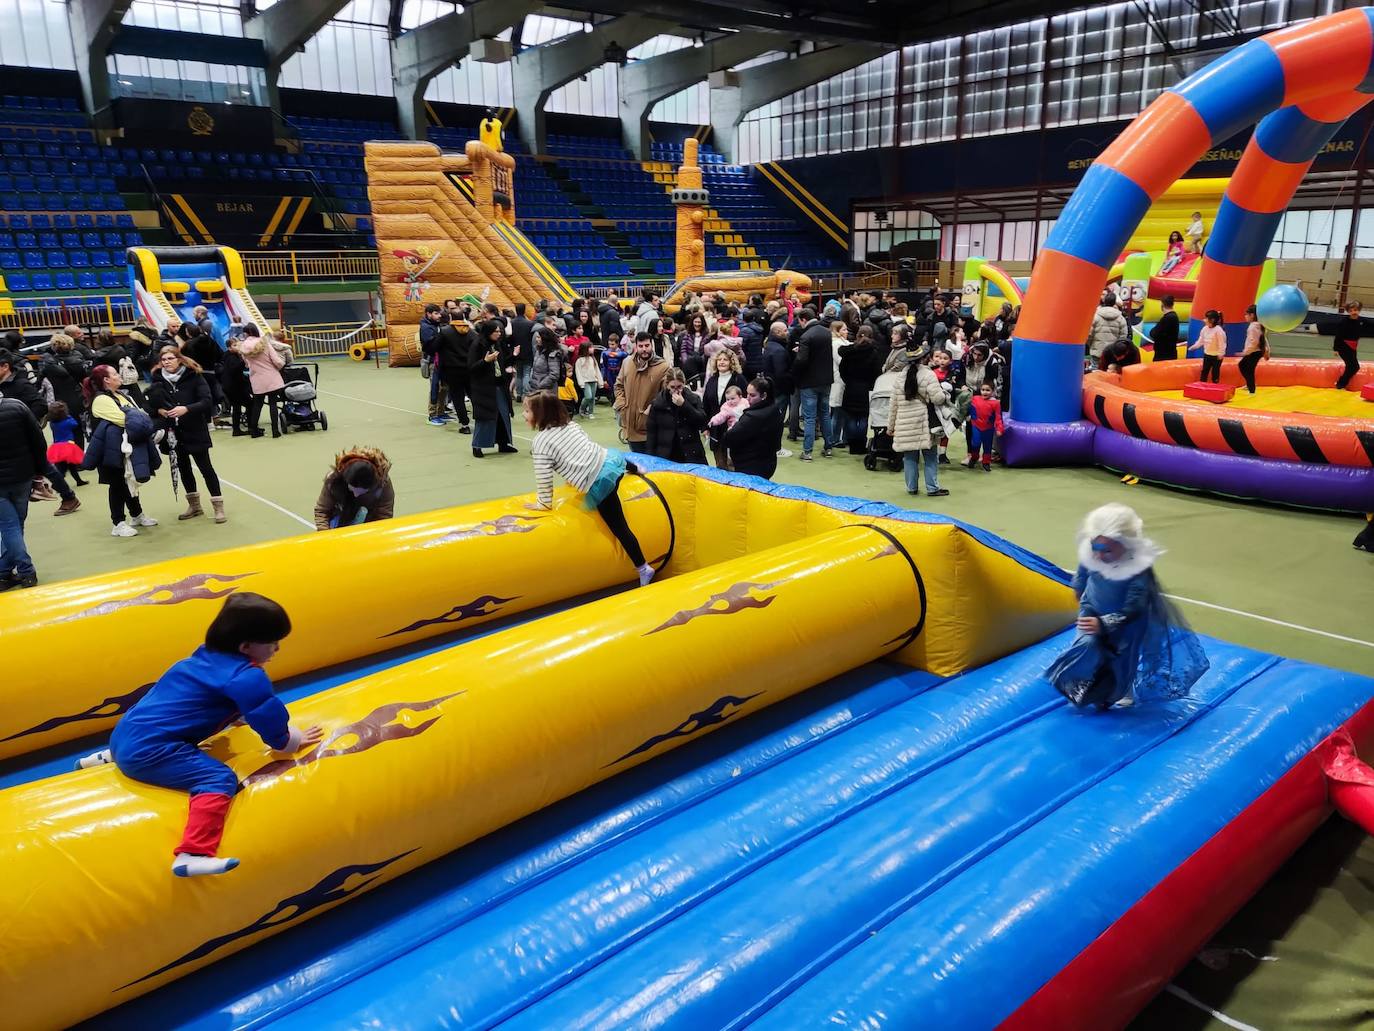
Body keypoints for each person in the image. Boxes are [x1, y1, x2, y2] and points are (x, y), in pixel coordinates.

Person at [75, 594, 322, 876]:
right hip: (148, 753)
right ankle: (192, 854)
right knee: (218, 778)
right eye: (273, 643)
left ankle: (100, 759)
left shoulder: (202, 656)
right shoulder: (247, 677)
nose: (277, 648)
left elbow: (198, 700)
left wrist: (237, 715)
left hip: (124, 735)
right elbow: (268, 716)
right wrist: (288, 741)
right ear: (246, 646)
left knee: (169, 726)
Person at [1046, 503, 1208, 710]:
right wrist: (1080, 590)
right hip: (1093, 610)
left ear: (1127, 545)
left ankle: (1117, 689)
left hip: (1125, 621)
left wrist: (1105, 623)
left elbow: (1135, 606)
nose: (1098, 555)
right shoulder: (1094, 551)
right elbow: (1084, 573)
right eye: (1095, 547)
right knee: (1086, 646)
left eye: (1107, 550)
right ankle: (1081, 683)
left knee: (1120, 660)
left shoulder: (1137, 568)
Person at [525, 391, 655, 587]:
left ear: (540, 414)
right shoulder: (570, 425)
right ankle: (637, 469)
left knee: (619, 527)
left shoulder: (541, 442)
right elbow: (585, 448)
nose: (523, 415)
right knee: (605, 456)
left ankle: (643, 567)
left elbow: (543, 477)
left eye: (527, 411)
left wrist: (543, 503)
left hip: (600, 482)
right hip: (614, 463)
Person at [145, 346, 226, 523]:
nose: (166, 362)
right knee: (183, 469)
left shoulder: (194, 376)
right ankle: (194, 506)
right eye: (164, 359)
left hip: (195, 429)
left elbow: (207, 401)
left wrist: (186, 409)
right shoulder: (157, 380)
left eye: (170, 358)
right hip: (173, 433)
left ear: (179, 359)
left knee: (206, 468)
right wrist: (158, 410)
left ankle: (218, 506)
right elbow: (149, 404)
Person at [82, 364, 161, 536]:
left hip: (125, 447)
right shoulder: (101, 400)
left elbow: (138, 415)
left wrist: (140, 417)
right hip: (110, 451)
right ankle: (117, 523)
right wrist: (140, 418)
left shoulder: (120, 395)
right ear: (106, 380)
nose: (119, 375)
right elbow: (126, 419)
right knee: (117, 484)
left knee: (129, 481)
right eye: (115, 373)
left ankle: (137, 515)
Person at [887, 347, 950, 498]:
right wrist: (945, 393)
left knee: (909, 457)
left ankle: (911, 487)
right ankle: (932, 488)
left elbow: (893, 404)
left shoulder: (900, 377)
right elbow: (938, 399)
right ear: (924, 358)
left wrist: (890, 427)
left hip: (905, 423)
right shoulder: (929, 375)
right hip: (924, 422)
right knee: (930, 456)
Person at [0, 394, 47, 591]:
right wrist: (39, 471)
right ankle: (13, 571)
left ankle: (20, 572)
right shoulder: (17, 406)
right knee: (16, 526)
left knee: (10, 527)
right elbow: (38, 440)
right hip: (22, 476)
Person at [468, 320, 518, 458]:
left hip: (499, 386)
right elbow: (472, 367)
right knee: (485, 417)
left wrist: (513, 356)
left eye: (499, 331)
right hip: (484, 388)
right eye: (495, 331)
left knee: (503, 415)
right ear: (488, 332)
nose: (499, 333)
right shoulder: (477, 345)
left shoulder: (497, 345)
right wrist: (485, 361)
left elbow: (502, 364)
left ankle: (504, 443)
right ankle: (477, 446)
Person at [613, 332, 669, 453]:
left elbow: (665, 394)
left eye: (647, 345)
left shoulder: (663, 367)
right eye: (641, 346)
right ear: (636, 347)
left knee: (650, 467)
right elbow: (619, 385)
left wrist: (650, 410)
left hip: (650, 427)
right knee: (636, 466)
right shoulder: (627, 363)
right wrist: (622, 405)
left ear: (652, 345)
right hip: (629, 424)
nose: (644, 349)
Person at [314, 447, 395, 530]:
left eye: (362, 492)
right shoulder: (333, 479)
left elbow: (384, 517)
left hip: (368, 527)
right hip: (338, 522)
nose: (356, 495)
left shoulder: (382, 484)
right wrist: (326, 534)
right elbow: (322, 511)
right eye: (352, 489)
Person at [792, 308, 836, 461]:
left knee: (809, 418)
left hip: (809, 382)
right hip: (826, 380)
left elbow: (802, 360)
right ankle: (828, 448)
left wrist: (794, 371)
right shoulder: (826, 332)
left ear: (803, 319)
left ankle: (807, 451)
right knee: (825, 414)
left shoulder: (806, 336)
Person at [723, 375, 785, 480]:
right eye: (747, 393)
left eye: (752, 395)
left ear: (764, 395)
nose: (747, 398)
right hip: (768, 463)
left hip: (750, 467)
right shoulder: (775, 410)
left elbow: (729, 438)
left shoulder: (753, 417)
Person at [645, 368, 708, 465]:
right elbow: (651, 433)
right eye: (673, 387)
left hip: (691, 453)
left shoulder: (694, 399)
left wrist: (684, 405)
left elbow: (702, 421)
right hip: (666, 454)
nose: (676, 391)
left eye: (679, 386)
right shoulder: (658, 403)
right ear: (667, 385)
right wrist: (650, 458)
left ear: (684, 383)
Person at [837, 323, 883, 455]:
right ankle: (861, 444)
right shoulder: (874, 352)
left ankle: (852, 445)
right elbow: (877, 371)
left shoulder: (849, 351)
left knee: (850, 417)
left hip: (850, 387)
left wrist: (848, 380)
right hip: (866, 389)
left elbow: (842, 369)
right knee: (863, 417)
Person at [234, 325, 285, 438]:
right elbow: (276, 360)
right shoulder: (265, 343)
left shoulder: (243, 347)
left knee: (257, 404)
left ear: (245, 334)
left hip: (256, 378)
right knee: (273, 403)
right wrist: (281, 365)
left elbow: (247, 364)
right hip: (271, 377)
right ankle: (275, 431)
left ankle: (253, 430)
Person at [701, 349, 748, 468]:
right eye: (719, 359)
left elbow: (747, 403)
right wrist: (705, 427)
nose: (721, 362)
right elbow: (705, 405)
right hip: (716, 431)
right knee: (720, 464)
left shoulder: (739, 379)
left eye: (725, 360)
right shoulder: (712, 380)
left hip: (735, 429)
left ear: (731, 362)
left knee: (734, 465)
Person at [435, 314, 475, 433]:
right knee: (474, 395)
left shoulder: (444, 331)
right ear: (463, 317)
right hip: (469, 368)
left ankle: (464, 425)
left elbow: (435, 347)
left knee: (458, 398)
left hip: (452, 370)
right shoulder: (471, 332)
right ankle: (479, 420)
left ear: (451, 317)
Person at [419, 303, 449, 426]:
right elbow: (431, 345)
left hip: (442, 360)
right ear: (429, 314)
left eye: (439, 313)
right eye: (436, 313)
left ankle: (441, 412)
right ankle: (432, 415)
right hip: (432, 361)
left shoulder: (437, 325)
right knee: (435, 388)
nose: (439, 315)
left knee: (444, 387)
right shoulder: (426, 327)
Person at [46, 402, 88, 488]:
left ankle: (78, 481)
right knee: (67, 468)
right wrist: (68, 416)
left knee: (64, 467)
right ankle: (58, 484)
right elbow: (75, 424)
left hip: (57, 447)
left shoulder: (52, 424)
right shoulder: (67, 422)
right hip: (67, 446)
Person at [965, 380, 1005, 471]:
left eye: (987, 390)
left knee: (987, 446)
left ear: (992, 391)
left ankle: (986, 462)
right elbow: (968, 408)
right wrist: (967, 416)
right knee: (975, 443)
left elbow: (998, 417)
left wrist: (999, 428)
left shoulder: (996, 403)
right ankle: (974, 457)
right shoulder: (975, 399)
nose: (985, 392)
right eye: (983, 390)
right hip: (976, 426)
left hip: (988, 428)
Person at [1332, 300, 1365, 391]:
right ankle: (1340, 384)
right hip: (1343, 346)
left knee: (1350, 366)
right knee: (1354, 367)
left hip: (1353, 346)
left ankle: (1341, 384)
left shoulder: (1361, 320)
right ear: (1348, 312)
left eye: (1355, 310)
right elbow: (1338, 335)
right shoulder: (1344, 322)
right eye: (1351, 311)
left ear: (1359, 310)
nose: (1354, 312)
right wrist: (1335, 349)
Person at [1238, 304, 1270, 395]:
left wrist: (1246, 352)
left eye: (1246, 314)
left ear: (1252, 315)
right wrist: (1266, 351)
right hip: (1257, 351)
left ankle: (1251, 390)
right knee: (1245, 367)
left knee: (1245, 367)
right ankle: (1250, 385)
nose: (1245, 316)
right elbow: (1263, 339)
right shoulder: (1259, 325)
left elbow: (1254, 342)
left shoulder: (1253, 327)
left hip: (1254, 351)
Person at [1088, 293, 1128, 362]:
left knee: (1095, 371)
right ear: (1114, 303)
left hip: (1097, 351)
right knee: (1110, 371)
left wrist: (1091, 345)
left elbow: (1089, 334)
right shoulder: (1121, 318)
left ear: (1104, 301)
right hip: (1113, 353)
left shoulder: (1095, 316)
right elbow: (1123, 337)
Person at [509, 302, 535, 401]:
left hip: (516, 351)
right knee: (526, 373)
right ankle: (526, 394)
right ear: (524, 310)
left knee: (518, 374)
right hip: (527, 351)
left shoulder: (511, 323)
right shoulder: (530, 323)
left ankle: (518, 394)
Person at [573, 340, 604, 419]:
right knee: (588, 396)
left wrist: (600, 381)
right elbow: (578, 372)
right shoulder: (579, 361)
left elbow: (597, 370)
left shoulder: (592, 359)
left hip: (594, 381)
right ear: (585, 349)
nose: (592, 349)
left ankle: (590, 412)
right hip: (585, 382)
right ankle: (582, 409)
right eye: (590, 347)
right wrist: (581, 383)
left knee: (592, 398)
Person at [1195, 309, 1226, 384]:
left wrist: (1221, 354)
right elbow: (1201, 340)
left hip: (1216, 356)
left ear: (1212, 320)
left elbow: (1222, 343)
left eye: (1206, 318)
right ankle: (1202, 386)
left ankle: (1215, 386)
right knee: (1204, 371)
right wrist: (1195, 346)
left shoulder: (1219, 331)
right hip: (1207, 354)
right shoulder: (1204, 329)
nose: (1204, 320)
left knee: (1215, 373)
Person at [1150, 295, 1181, 362]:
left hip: (1163, 355)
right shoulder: (1173, 317)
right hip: (1169, 352)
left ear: (1162, 304)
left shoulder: (1167, 318)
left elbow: (1155, 333)